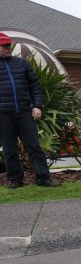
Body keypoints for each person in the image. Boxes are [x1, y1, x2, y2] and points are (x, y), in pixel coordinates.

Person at [0, 32, 60, 188]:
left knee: (34, 146)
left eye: (9, 45)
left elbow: (35, 86)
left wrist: (37, 105)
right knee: (9, 149)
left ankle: (43, 178)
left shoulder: (21, 63)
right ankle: (15, 180)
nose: (8, 48)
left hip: (25, 112)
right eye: (4, 46)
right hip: (3, 115)